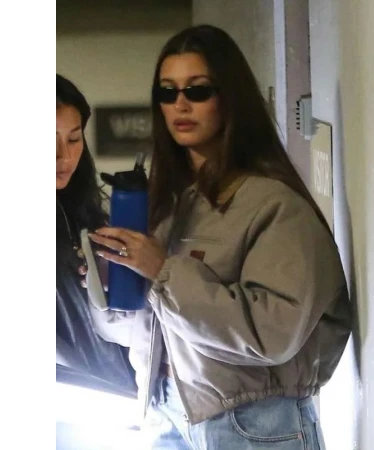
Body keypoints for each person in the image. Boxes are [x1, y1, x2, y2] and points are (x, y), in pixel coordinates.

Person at [87, 25, 352, 449]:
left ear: (229, 97)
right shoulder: (167, 205)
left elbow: (272, 334)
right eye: (167, 92)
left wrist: (163, 272)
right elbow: (139, 331)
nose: (180, 105)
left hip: (253, 419)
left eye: (197, 90)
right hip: (164, 407)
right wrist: (107, 281)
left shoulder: (274, 205)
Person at [56, 73, 136, 396]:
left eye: (74, 139)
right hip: (69, 389)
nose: (63, 155)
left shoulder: (81, 212)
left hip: (111, 387)